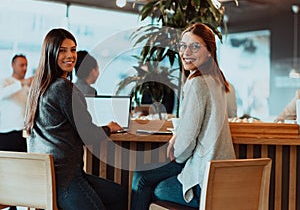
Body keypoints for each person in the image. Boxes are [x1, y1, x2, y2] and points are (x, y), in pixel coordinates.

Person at [130, 23, 236, 210]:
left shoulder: (196, 83)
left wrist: (175, 149)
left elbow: (184, 148)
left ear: (210, 51)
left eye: (195, 46)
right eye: (183, 46)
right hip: (221, 176)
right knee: (147, 177)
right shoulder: (217, 80)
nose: (186, 52)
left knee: (145, 181)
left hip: (202, 181)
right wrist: (178, 137)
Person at [24, 28, 127, 210]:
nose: (70, 55)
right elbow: (89, 135)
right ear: (51, 53)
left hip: (42, 179)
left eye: (73, 50)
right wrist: (109, 128)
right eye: (63, 50)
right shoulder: (63, 88)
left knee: (117, 193)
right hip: (65, 179)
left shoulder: (38, 87)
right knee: (120, 195)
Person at [0, 54, 32, 152]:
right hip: (7, 132)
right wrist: (22, 83)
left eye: (26, 65)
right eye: (22, 65)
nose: (25, 68)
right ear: (13, 65)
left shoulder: (28, 87)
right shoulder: (5, 82)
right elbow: (2, 94)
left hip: (23, 133)